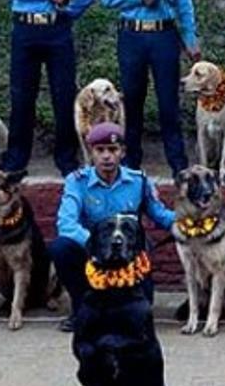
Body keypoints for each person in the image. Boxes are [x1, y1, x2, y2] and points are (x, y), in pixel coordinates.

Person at [100, 0, 200, 175]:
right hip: (131, 36)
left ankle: (178, 165)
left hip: (163, 36)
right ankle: (130, 165)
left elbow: (183, 0)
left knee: (169, 103)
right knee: (132, 102)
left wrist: (190, 38)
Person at [2, 0, 96, 176]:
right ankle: (17, 160)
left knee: (63, 96)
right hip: (25, 30)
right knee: (22, 97)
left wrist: (68, 14)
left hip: (57, 32)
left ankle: (66, 159)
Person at [48, 122, 175, 331]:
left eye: (112, 150)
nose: (106, 156)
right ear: (91, 153)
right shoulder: (77, 182)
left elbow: (160, 215)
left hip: (128, 254)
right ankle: (81, 308)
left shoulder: (138, 181)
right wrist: (97, 245)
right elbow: (66, 224)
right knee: (61, 247)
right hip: (93, 255)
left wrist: (190, 222)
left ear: (122, 152)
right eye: (100, 150)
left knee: (143, 308)